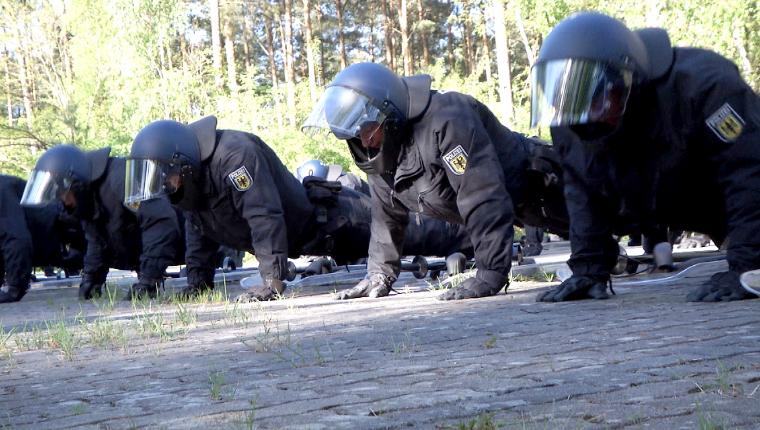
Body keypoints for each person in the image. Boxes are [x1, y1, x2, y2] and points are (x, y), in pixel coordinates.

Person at [529, 12, 760, 302]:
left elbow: (749, 171)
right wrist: (589, 268)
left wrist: (748, 263)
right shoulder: (573, 126)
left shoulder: (705, 87)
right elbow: (582, 193)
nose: (584, 118)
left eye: (595, 100)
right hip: (700, 211)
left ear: (628, 82)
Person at [125, 117, 474, 302]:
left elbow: (264, 216)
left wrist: (271, 280)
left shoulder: (233, 155)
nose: (163, 186)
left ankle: (480, 232)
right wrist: (198, 282)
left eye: (164, 177)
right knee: (410, 232)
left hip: (334, 221)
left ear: (180, 164)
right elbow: (199, 226)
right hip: (308, 238)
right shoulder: (192, 181)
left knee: (414, 230)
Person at [302, 62, 570, 300]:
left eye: (369, 131)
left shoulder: (449, 118)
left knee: (602, 217)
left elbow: (482, 196)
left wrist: (490, 272)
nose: (364, 142)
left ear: (390, 116)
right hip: (521, 209)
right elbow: (386, 217)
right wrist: (378, 274)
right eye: (356, 135)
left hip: (546, 184)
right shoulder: (382, 150)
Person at [21, 145, 185, 300]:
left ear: (75, 182)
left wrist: (149, 279)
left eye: (64, 194)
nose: (65, 203)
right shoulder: (89, 198)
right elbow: (97, 241)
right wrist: (92, 280)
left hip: (186, 240)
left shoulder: (122, 176)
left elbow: (160, 224)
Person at [0, 175, 85, 303]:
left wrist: (14, 289)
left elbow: (16, 240)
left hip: (60, 227)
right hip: (51, 230)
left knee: (106, 249)